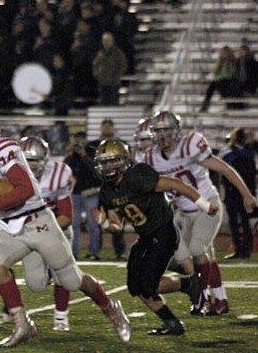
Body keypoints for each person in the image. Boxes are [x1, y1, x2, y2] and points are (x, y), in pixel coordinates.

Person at [0, 105, 131, 347]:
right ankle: (22, 324)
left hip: (37, 221)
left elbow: (25, 189)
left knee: (72, 280)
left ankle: (111, 308)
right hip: (11, 223)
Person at [94, 139, 213, 335]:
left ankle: (188, 284)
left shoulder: (138, 175)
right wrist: (106, 224)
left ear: (123, 160)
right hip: (145, 237)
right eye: (104, 162)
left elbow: (175, 184)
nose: (107, 167)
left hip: (163, 232)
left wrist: (204, 205)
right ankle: (172, 323)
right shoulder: (107, 190)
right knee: (135, 287)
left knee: (149, 285)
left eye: (112, 161)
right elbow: (117, 226)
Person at [145, 110, 257, 315]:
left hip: (208, 206)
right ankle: (220, 300)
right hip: (183, 212)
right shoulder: (151, 157)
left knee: (197, 249)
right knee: (185, 257)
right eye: (158, 131)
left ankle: (202, 298)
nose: (162, 135)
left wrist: (246, 195)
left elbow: (224, 168)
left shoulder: (190, 146)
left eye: (167, 130)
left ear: (177, 131)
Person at [20, 136, 75, 331]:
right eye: (26, 160)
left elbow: (67, 216)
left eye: (34, 160)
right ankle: (48, 272)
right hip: (32, 231)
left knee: (64, 275)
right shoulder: (10, 176)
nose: (30, 165)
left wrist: (45, 230)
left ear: (45, 159)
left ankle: (61, 316)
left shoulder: (58, 173)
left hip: (58, 228)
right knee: (35, 284)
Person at [88, 118, 126, 260]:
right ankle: (94, 252)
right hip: (99, 188)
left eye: (110, 125)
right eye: (105, 125)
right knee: (96, 221)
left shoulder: (121, 145)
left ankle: (120, 252)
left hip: (115, 188)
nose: (107, 128)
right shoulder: (92, 146)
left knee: (117, 219)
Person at [64, 131, 102, 260]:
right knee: (74, 224)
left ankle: (93, 252)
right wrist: (70, 153)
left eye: (81, 139)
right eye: (76, 140)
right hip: (75, 194)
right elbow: (64, 170)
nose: (79, 143)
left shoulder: (92, 152)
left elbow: (96, 170)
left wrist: (84, 155)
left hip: (90, 193)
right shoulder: (71, 156)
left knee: (93, 224)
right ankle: (73, 253)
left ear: (86, 140)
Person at [219, 128, 256, 259]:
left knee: (240, 221)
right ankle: (243, 249)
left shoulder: (238, 152)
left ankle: (243, 249)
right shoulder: (242, 153)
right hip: (239, 191)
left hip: (238, 192)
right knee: (240, 221)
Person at [92, 32, 127, 106]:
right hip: (102, 82)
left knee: (113, 102)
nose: (106, 43)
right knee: (103, 102)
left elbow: (122, 65)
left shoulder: (117, 53)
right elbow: (95, 64)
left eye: (108, 41)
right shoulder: (100, 53)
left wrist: (116, 75)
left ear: (112, 41)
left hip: (113, 82)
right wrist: (97, 74)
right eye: (104, 41)